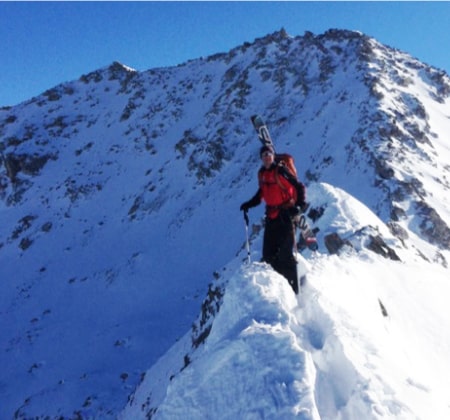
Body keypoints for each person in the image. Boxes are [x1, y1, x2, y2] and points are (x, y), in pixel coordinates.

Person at [240, 145, 307, 294]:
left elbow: (299, 186)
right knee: (269, 255)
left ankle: (296, 289)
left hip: (285, 215)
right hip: (271, 217)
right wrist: (248, 204)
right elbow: (261, 194)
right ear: (261, 158)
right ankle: (281, 289)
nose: (267, 157)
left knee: (285, 254)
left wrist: (299, 206)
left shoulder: (281, 171)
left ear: (273, 155)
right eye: (264, 155)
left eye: (269, 154)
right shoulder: (262, 174)